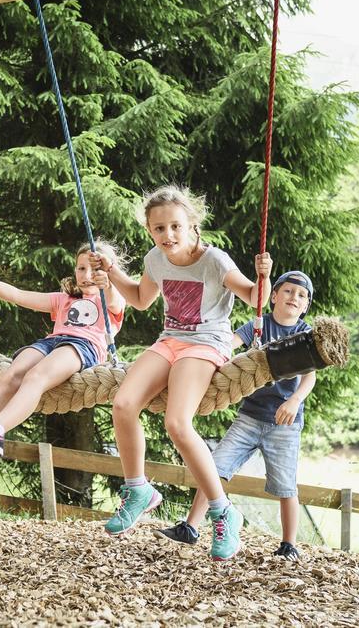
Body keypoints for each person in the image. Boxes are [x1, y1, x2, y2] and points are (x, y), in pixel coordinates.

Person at [90, 185, 272, 561]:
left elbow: (255, 299)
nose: (167, 235)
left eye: (175, 226)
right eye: (159, 229)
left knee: (177, 422)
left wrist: (264, 277)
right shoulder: (155, 259)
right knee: (123, 404)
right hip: (170, 340)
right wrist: (113, 272)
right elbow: (140, 299)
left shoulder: (215, 261)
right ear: (149, 231)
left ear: (192, 225)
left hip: (206, 343)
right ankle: (138, 489)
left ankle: (223, 511)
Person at [154, 271, 316, 562]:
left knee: (286, 485)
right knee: (215, 468)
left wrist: (294, 400)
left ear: (306, 306)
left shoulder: (304, 334)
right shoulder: (259, 326)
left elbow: (309, 378)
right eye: (288, 291)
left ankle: (289, 544)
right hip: (250, 416)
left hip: (284, 423)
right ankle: (191, 527)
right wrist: (210, 355)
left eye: (301, 295)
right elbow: (228, 344)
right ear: (274, 296)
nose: (294, 298)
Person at [0, 242, 126, 471]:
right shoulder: (64, 299)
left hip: (83, 347)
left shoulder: (110, 300)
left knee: (36, 376)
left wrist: (107, 281)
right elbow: (17, 295)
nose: (86, 275)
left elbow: (114, 299)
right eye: (81, 268)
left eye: (94, 269)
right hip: (51, 342)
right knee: (11, 375)